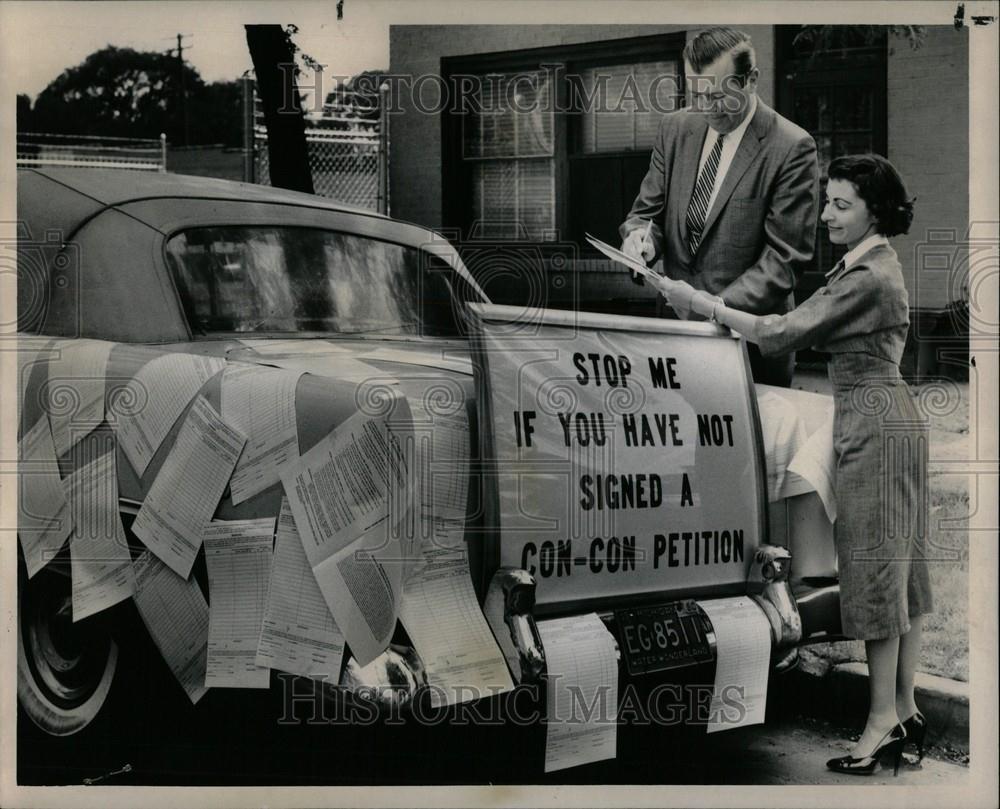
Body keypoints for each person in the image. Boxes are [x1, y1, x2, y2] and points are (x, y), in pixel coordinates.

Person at [651, 153, 933, 776]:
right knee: (900, 571)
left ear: (875, 211)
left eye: (841, 204)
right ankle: (905, 707)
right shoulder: (867, 262)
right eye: (827, 201)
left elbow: (780, 332)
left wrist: (699, 302)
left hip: (874, 426)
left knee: (879, 573)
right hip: (887, 420)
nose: (827, 214)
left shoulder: (869, 275)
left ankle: (883, 719)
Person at [620, 26, 819, 387]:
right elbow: (648, 212)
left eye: (718, 96)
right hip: (672, 334)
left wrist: (707, 306)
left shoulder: (791, 147)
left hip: (747, 345)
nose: (706, 108)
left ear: (751, 80)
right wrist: (640, 240)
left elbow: (784, 259)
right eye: (696, 94)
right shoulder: (675, 128)